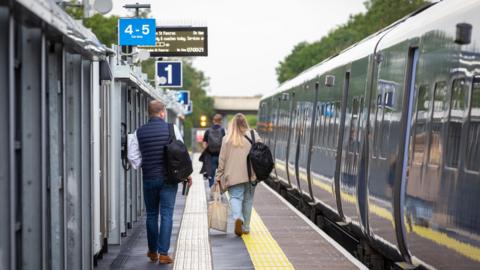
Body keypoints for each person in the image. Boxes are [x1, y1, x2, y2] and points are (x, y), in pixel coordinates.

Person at [137, 100, 192, 264]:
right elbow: (181, 153)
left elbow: (134, 158)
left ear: (149, 113)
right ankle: (163, 254)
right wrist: (187, 174)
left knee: (152, 215)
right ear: (162, 113)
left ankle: (152, 252)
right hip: (169, 178)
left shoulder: (139, 132)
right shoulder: (172, 128)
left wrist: (146, 164)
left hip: (149, 178)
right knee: (167, 214)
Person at [215, 113, 260, 236]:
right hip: (251, 174)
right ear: (245, 123)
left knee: (235, 198)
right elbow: (261, 152)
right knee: (248, 200)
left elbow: (222, 160)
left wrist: (218, 175)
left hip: (232, 175)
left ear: (232, 124)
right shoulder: (253, 135)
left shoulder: (227, 138)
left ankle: (238, 218)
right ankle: (245, 227)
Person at [203, 114, 225, 187]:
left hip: (211, 155)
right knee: (221, 173)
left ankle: (212, 188)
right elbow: (225, 143)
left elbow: (204, 143)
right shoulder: (222, 130)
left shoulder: (208, 130)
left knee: (211, 173)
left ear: (213, 121)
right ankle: (220, 189)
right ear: (221, 121)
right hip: (220, 156)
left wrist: (206, 151)